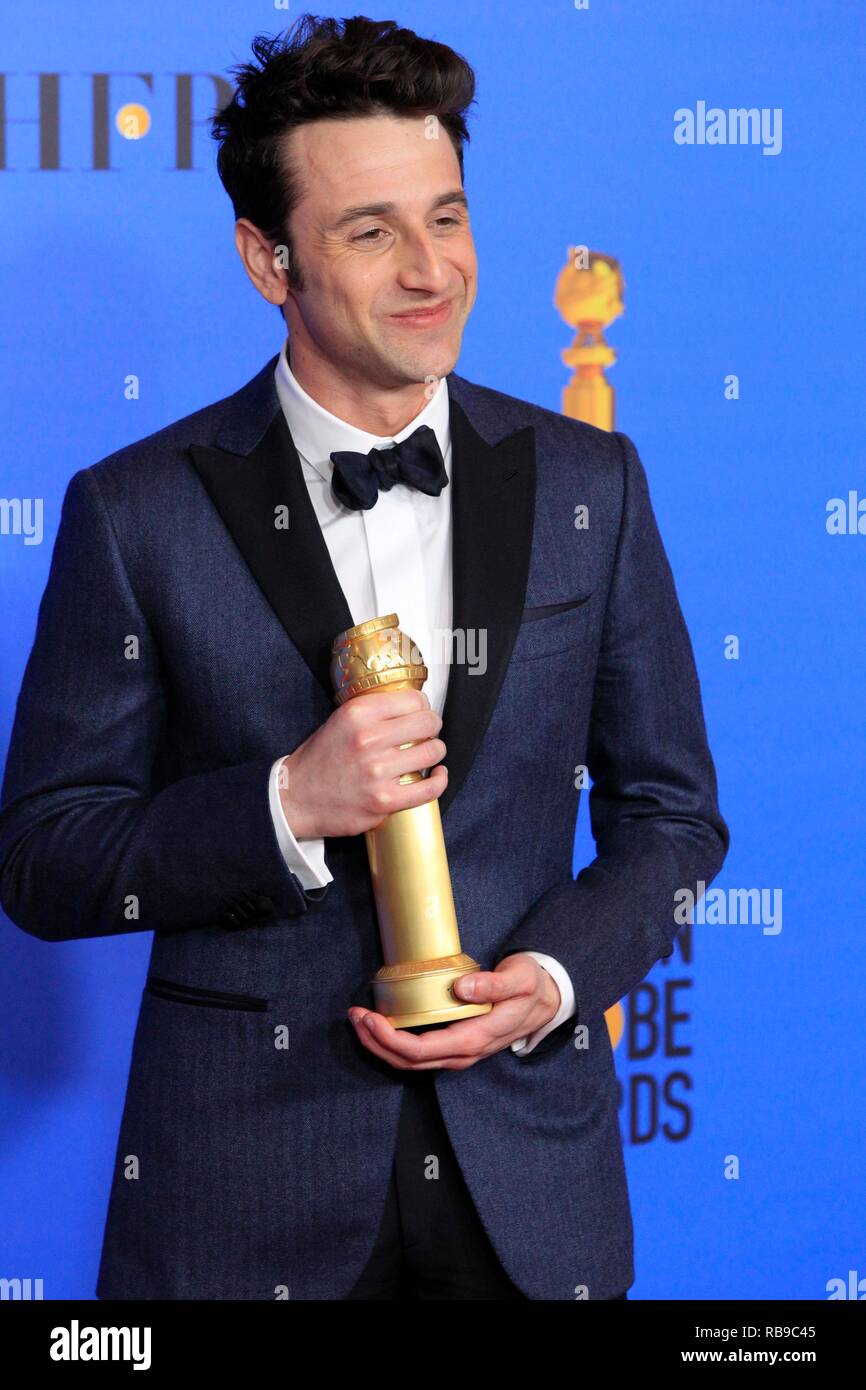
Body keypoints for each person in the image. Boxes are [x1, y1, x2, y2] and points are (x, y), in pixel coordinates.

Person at [0, 15, 728, 1301]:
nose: (428, 271)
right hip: (239, 1200)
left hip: (531, 1194)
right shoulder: (136, 509)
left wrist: (552, 980)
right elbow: (48, 858)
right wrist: (286, 804)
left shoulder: (587, 481)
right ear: (265, 260)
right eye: (368, 232)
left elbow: (671, 817)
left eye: (444, 219)